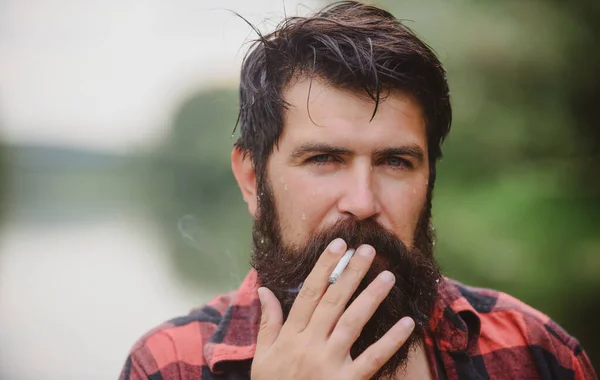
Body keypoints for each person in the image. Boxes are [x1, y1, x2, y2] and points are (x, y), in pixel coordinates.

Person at [119, 2, 597, 379]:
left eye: (395, 161)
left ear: (429, 176)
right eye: (324, 159)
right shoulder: (171, 366)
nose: (363, 203)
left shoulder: (535, 352)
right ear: (252, 179)